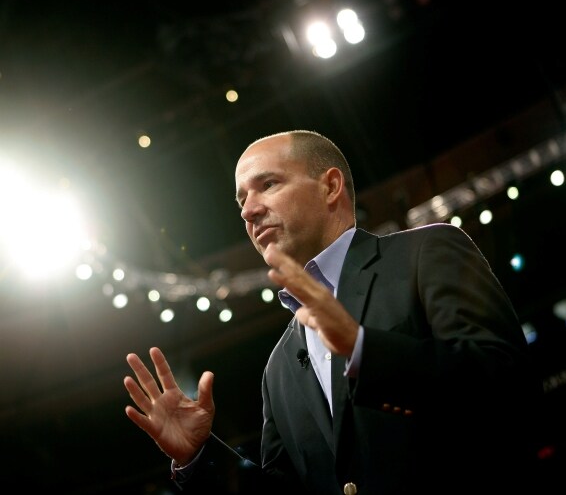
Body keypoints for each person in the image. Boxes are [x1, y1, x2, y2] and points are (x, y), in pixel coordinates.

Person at [124, 130, 543, 494]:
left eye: (267, 184)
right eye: (242, 200)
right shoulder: (278, 368)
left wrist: (363, 349)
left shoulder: (426, 252)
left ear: (330, 186)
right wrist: (198, 458)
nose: (248, 210)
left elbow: (509, 386)